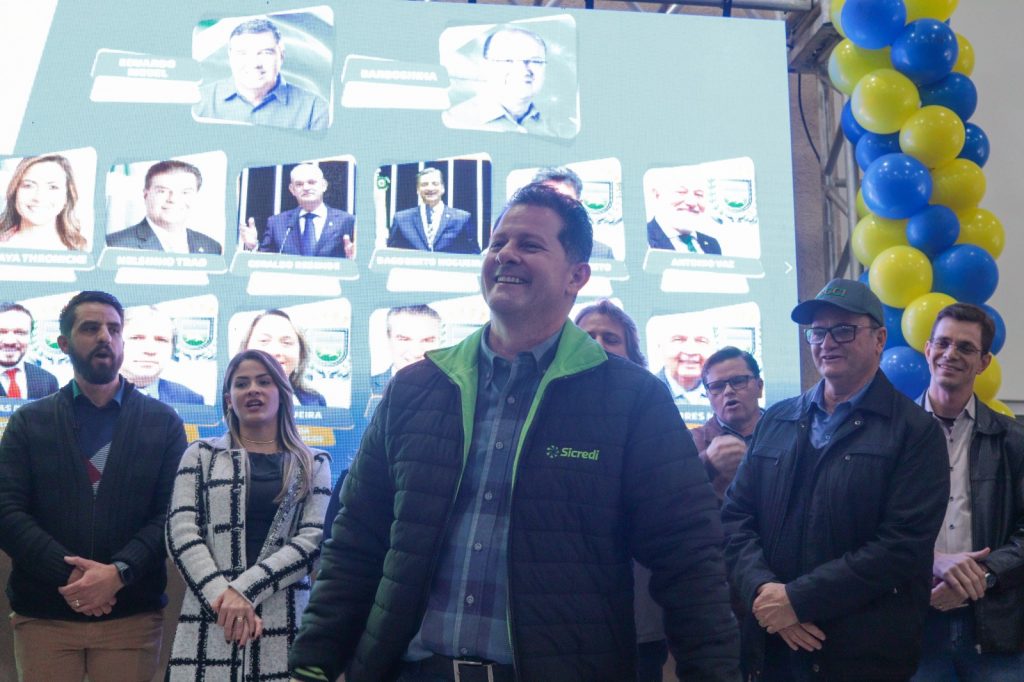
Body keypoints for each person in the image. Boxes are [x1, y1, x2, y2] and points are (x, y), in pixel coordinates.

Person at [288, 183, 740, 682]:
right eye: (498, 243)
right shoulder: (415, 388)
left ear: (577, 276)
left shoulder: (632, 399)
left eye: (530, 245)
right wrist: (313, 663)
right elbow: (356, 542)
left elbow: (690, 560)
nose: (505, 254)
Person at [722, 278, 949, 681]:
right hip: (772, 644)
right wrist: (764, 592)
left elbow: (902, 546)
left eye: (844, 330)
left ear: (880, 339)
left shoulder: (915, 431)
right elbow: (736, 517)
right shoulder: (778, 419)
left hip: (861, 655)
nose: (827, 342)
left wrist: (797, 600)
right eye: (818, 332)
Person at [0, 290, 187, 681]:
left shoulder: (164, 423)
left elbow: (173, 514)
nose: (105, 337)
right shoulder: (28, 423)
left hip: (131, 616)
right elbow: (6, 511)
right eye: (91, 328)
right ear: (63, 344)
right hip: (46, 616)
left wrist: (119, 572)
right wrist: (72, 577)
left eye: (114, 329)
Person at [165, 349, 332, 680]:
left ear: (282, 394)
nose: (253, 389)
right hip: (211, 620)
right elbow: (181, 533)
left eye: (264, 381)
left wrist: (245, 590)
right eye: (242, 384)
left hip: (282, 620)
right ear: (229, 399)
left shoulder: (313, 463)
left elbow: (313, 541)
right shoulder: (200, 455)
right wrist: (224, 600)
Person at [911, 302, 1024, 680]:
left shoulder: (1013, 441)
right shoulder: (891, 436)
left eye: (965, 347)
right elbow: (864, 526)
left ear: (984, 362)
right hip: (912, 623)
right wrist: (929, 559)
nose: (950, 354)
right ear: (927, 350)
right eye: (942, 343)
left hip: (995, 627)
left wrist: (981, 576)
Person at [574, 300, 668, 682]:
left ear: (633, 357)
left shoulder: (654, 415)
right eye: (586, 336)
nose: (597, 343)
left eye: (610, 338)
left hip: (636, 622)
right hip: (558, 622)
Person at [194, 18, 328, 131]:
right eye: (242, 53)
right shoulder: (198, 102)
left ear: (281, 55)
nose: (254, 64)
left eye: (265, 53)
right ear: (230, 56)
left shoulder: (315, 110)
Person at [443, 26, 571, 137]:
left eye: (535, 61)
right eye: (508, 60)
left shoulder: (563, 130)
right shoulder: (454, 122)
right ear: (485, 66)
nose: (523, 70)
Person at [690, 346, 764, 500]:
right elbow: (672, 497)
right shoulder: (690, 442)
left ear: (760, 387)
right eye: (717, 386)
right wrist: (706, 464)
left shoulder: (788, 431)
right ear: (707, 396)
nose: (728, 391)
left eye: (738, 381)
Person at [105, 160, 223, 255]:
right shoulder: (114, 245)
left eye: (185, 192)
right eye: (162, 191)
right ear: (146, 195)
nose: (173, 199)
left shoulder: (212, 247)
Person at [240, 162, 355, 258]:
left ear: (323, 185)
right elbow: (265, 262)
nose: (306, 188)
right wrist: (253, 246)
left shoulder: (346, 221)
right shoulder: (276, 223)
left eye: (311, 182)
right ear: (292, 190)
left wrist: (353, 258)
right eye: (299, 184)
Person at [365, 304, 443, 418]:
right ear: (388, 339)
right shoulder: (365, 391)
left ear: (440, 341)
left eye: (427, 340)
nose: (416, 352)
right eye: (404, 339)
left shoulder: (457, 392)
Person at [0, 154, 88, 251]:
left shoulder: (82, 250)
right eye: (28, 185)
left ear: (66, 197)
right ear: (14, 192)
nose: (39, 197)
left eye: (53, 187)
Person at [120, 305, 204, 405]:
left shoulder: (191, 400)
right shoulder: (96, 395)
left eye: (161, 340)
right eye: (136, 338)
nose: (150, 350)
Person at [240, 309, 325, 406]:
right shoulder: (228, 402)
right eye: (264, 341)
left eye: (286, 342)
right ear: (246, 350)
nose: (275, 351)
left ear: (301, 354)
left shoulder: (316, 401)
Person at [387, 167, 478, 254]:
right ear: (418, 190)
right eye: (424, 184)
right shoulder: (401, 219)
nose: (430, 188)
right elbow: (390, 254)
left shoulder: (462, 218)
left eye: (435, 184)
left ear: (443, 188)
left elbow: (473, 254)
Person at [531, 166, 614, 259]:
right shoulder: (515, 249)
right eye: (548, 199)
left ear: (578, 205)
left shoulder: (601, 253)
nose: (556, 208)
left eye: (565, 200)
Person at [646, 169, 721, 255]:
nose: (692, 202)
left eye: (699, 194)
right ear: (656, 195)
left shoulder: (712, 245)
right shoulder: (640, 240)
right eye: (681, 192)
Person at [0, 302, 58, 400]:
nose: (10, 341)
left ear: (31, 337)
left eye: (20, 333)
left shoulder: (47, 381)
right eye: (1, 332)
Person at [657, 326, 715, 406]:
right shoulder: (645, 392)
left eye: (701, 341)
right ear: (660, 347)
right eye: (678, 340)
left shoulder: (725, 393)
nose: (690, 351)